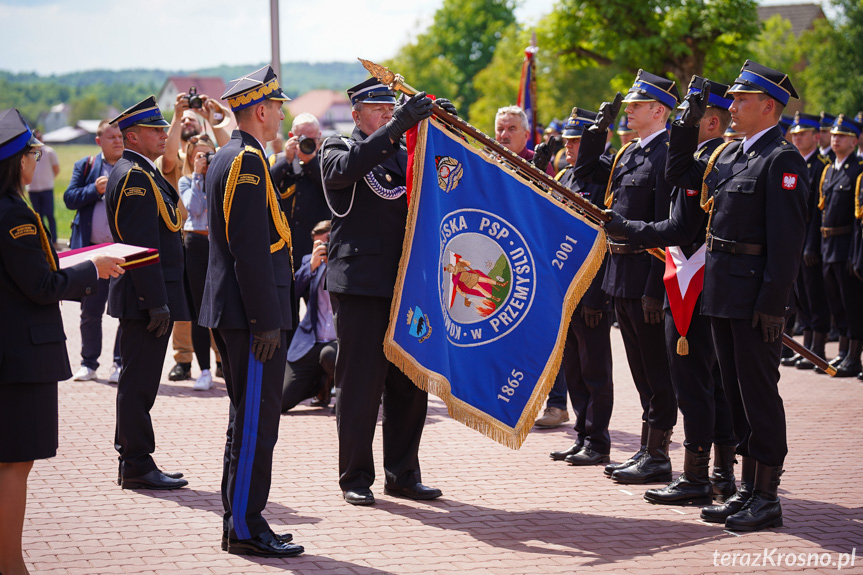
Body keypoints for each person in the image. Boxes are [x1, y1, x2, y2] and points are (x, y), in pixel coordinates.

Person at [662, 59, 808, 531]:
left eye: (742, 100)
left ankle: (767, 496)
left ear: (769, 107)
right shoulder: (732, 156)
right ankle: (746, 490)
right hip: (722, 292)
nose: (733, 105)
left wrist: (773, 303)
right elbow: (680, 175)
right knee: (735, 393)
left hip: (753, 299)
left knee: (759, 395)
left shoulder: (782, 160)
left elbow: (787, 244)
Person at [0, 108, 124, 575]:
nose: (37, 160)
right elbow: (41, 285)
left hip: (12, 352)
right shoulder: (15, 214)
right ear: (18, 162)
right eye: (32, 152)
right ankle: (11, 565)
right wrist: (93, 269)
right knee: (15, 464)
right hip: (20, 357)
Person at [321, 78, 455, 506]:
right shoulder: (336, 147)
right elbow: (347, 171)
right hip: (362, 285)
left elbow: (444, 185)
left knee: (409, 385)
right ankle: (355, 477)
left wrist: (446, 132)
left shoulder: (404, 154)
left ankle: (403, 473)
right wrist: (397, 125)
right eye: (376, 109)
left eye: (390, 108)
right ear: (357, 114)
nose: (384, 114)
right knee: (360, 385)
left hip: (408, 285)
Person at [604, 77, 738, 505]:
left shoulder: (709, 162)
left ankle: (706, 476)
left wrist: (628, 229)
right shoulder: (699, 159)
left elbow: (678, 227)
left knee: (699, 383)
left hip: (696, 282)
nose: (683, 123)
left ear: (709, 122)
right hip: (686, 278)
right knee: (697, 382)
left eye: (690, 117)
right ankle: (710, 474)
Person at [199, 65, 303, 558]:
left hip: (241, 313)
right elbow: (248, 248)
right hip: (251, 317)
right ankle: (244, 526)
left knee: (250, 421)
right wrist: (266, 320)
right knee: (256, 425)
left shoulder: (234, 155)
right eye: (278, 107)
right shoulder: (245, 160)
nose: (281, 116)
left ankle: (243, 519)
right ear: (260, 110)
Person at [573, 69, 679, 485]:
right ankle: (646, 449)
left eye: (636, 106)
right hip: (621, 274)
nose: (628, 112)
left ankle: (658, 454)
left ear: (659, 110)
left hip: (647, 277)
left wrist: (657, 289)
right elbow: (584, 172)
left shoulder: (668, 155)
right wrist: (596, 130)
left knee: (657, 371)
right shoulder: (630, 153)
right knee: (640, 372)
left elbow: (666, 227)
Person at [105, 96, 192, 491]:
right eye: (155, 130)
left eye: (163, 128)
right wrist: (155, 301)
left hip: (149, 296)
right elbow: (141, 245)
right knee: (138, 383)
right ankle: (136, 461)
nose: (163, 135)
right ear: (133, 136)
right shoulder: (135, 176)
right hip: (146, 300)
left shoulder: (143, 171)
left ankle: (136, 458)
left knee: (140, 382)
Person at [547, 107, 615, 466]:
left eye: (578, 140)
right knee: (573, 367)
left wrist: (597, 294)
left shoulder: (605, 176)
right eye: (569, 140)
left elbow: (602, 243)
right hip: (567, 290)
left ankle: (599, 440)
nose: (571, 147)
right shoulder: (564, 175)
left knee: (595, 369)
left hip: (593, 290)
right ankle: (582, 434)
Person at [161, 93, 232, 382]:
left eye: (194, 118)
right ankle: (184, 358)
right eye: (185, 120)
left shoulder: (212, 152)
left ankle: (219, 359)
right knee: (187, 307)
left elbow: (229, 147)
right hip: (187, 239)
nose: (189, 121)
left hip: (213, 240)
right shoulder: (180, 161)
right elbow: (166, 158)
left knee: (217, 303)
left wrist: (213, 115)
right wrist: (178, 115)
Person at [64, 119, 126, 383]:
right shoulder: (87, 166)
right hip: (93, 254)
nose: (118, 141)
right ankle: (88, 364)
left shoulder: (131, 168)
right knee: (91, 311)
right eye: (111, 137)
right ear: (99, 140)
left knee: (125, 311)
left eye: (121, 136)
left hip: (124, 252)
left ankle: (120, 364)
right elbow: (69, 198)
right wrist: (94, 189)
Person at [817, 115, 863, 377]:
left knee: (852, 303)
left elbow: (857, 222)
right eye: (834, 135)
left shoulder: (857, 170)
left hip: (847, 246)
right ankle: (844, 352)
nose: (835, 140)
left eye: (842, 136)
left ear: (854, 141)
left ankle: (854, 357)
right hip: (828, 245)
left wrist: (855, 255)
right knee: (837, 303)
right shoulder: (831, 170)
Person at [787, 112, 831, 371]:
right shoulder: (792, 162)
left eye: (803, 133)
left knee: (816, 296)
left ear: (816, 137)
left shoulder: (821, 166)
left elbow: (817, 211)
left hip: (810, 241)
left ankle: (818, 349)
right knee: (800, 295)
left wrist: (811, 243)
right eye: (795, 132)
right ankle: (806, 349)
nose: (797, 136)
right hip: (794, 241)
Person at [282, 220, 338, 412]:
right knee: (281, 400)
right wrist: (311, 267)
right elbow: (291, 294)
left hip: (339, 343)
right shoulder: (310, 262)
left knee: (330, 355)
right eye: (319, 244)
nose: (324, 247)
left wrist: (335, 264)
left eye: (327, 242)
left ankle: (342, 390)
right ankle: (321, 383)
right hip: (311, 341)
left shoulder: (348, 264)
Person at [178, 134, 218, 390]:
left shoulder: (221, 179)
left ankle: (224, 362)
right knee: (198, 311)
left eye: (209, 155)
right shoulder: (185, 180)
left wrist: (211, 174)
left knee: (223, 306)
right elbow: (194, 209)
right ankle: (204, 370)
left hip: (218, 245)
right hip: (195, 244)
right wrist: (197, 176)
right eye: (199, 156)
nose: (205, 160)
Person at [270, 113, 332, 274]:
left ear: (319, 136)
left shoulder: (327, 161)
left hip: (317, 246)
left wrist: (311, 162)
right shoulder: (278, 161)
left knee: (319, 299)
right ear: (291, 136)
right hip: (284, 247)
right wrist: (286, 161)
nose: (307, 142)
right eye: (302, 138)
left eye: (311, 138)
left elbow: (330, 189)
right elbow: (266, 187)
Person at [25, 129, 59, 246]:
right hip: (33, 189)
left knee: (50, 215)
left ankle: (54, 241)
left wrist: (49, 179)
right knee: (38, 217)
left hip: (46, 188)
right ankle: (42, 242)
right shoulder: (28, 153)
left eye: (39, 138)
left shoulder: (49, 152)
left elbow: (56, 169)